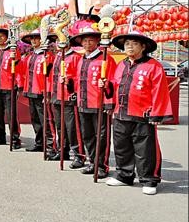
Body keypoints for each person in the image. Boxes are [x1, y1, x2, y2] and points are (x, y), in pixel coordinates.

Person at [103, 31, 172, 195]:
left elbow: (160, 91)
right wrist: (105, 86)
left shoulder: (153, 66)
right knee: (121, 147)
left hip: (143, 115)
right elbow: (113, 86)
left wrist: (157, 113)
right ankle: (124, 175)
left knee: (145, 150)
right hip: (121, 114)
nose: (129, 46)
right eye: (127, 44)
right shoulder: (122, 65)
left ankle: (149, 179)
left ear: (143, 46)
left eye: (134, 43)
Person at [69, 26, 116, 178]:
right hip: (83, 103)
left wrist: (108, 102)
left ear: (97, 42)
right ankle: (92, 162)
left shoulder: (105, 58)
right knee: (87, 135)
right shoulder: (82, 59)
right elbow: (77, 80)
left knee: (101, 137)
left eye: (91, 41)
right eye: (85, 41)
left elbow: (113, 82)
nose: (87, 44)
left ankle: (102, 166)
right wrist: (69, 84)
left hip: (99, 104)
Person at [20, 29, 55, 154]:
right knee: (35, 119)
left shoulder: (48, 56)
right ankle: (39, 142)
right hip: (30, 90)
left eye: (37, 38)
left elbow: (50, 76)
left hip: (41, 91)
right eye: (32, 38)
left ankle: (51, 146)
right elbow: (21, 70)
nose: (34, 40)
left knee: (45, 119)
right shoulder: (30, 56)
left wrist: (48, 92)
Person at [48, 42, 83, 165]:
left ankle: (79, 154)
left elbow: (79, 77)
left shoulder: (75, 57)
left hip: (68, 95)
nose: (60, 43)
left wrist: (69, 82)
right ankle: (62, 149)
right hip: (57, 94)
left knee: (72, 127)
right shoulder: (58, 56)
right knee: (60, 125)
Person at [0, 27, 22, 148]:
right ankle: (0, 137)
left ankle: (15, 138)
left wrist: (15, 58)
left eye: (2, 36)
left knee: (11, 114)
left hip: (9, 86)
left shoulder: (13, 51)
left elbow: (19, 68)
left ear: (7, 38)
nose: (0, 38)